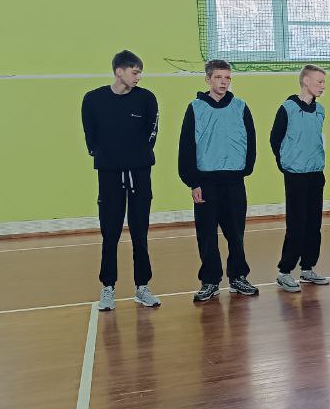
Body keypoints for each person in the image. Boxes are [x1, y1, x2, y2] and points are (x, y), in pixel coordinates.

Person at [81, 50, 161, 311]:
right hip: (109, 174)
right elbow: (91, 136)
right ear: (119, 71)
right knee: (110, 232)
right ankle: (108, 287)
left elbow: (151, 134)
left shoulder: (147, 99)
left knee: (140, 231)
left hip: (140, 173)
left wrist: (133, 157)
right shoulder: (93, 99)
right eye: (135, 72)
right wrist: (110, 156)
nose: (138, 77)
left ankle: (142, 287)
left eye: (140, 73)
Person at [178, 60, 259, 302]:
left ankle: (238, 277)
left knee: (236, 233)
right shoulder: (195, 108)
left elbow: (251, 140)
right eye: (218, 77)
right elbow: (186, 147)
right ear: (208, 79)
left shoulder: (240, 107)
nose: (223, 82)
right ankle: (210, 281)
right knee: (207, 235)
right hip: (206, 183)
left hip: (234, 181)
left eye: (227, 78)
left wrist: (244, 169)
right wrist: (193, 182)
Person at [270, 65, 330, 293]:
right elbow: (275, 139)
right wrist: (286, 164)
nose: (323, 86)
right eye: (319, 81)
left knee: (314, 224)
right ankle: (284, 271)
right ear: (306, 81)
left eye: (324, 82)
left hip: (316, 174)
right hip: (295, 175)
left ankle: (307, 268)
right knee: (296, 224)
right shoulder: (287, 108)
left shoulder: (320, 110)